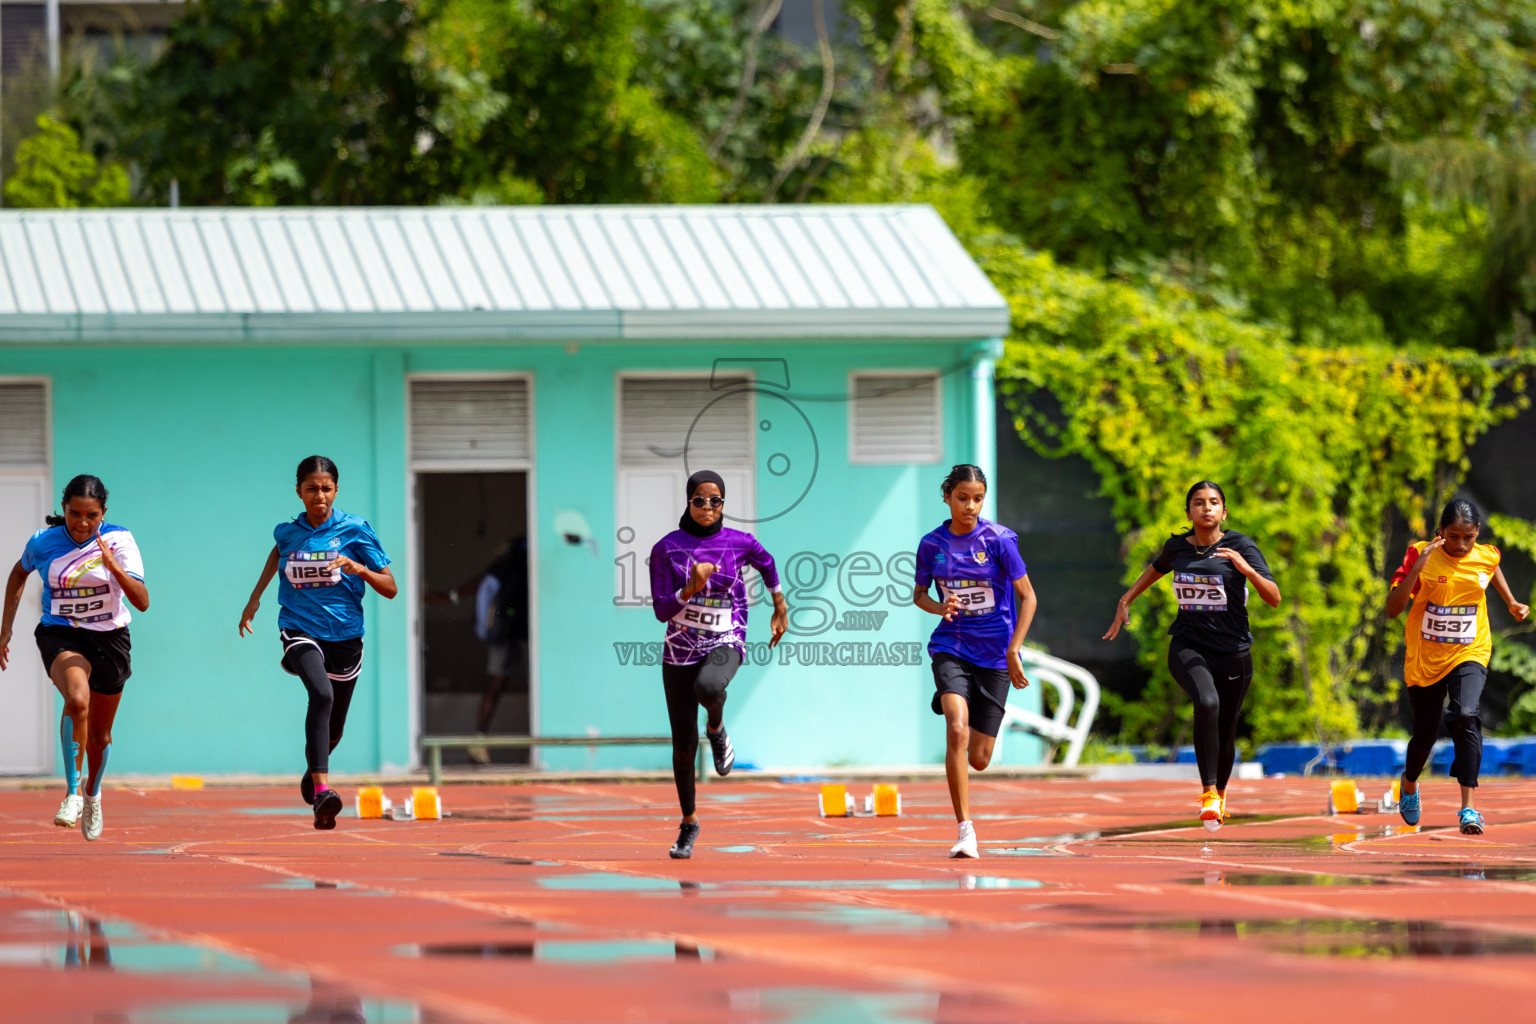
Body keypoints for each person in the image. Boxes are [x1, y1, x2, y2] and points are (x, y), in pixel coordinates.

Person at [1103, 481, 1281, 831]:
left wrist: (1246, 569)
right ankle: (1208, 792)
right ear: (1189, 513)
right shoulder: (1177, 549)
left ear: (1224, 512)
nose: (1206, 508)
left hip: (1233, 651)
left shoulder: (1240, 545)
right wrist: (1126, 601)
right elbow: (1154, 570)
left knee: (1227, 730)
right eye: (1198, 503)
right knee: (1207, 703)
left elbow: (1274, 597)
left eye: (1214, 502)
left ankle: (1221, 794)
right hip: (1189, 644)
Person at [239, 456, 397, 830]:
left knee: (335, 729)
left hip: (345, 635)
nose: (319, 496)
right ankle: (324, 791)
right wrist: (255, 597)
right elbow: (278, 552)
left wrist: (359, 568)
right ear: (299, 491)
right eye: (311, 489)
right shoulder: (288, 531)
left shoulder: (356, 530)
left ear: (336, 490)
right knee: (321, 694)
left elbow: (390, 588)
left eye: (326, 489)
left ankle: (314, 773)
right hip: (298, 629)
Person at [0, 474, 149, 841]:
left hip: (111, 639)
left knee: (100, 736)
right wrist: (6, 629)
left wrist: (114, 568)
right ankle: (70, 793)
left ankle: (92, 794)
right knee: (77, 699)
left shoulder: (120, 540)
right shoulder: (43, 542)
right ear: (63, 509)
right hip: (61, 634)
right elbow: (18, 575)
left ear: (104, 513)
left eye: (91, 515)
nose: (82, 524)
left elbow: (143, 602)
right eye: (74, 514)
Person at [649, 470, 787, 859]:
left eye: (716, 501)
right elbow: (662, 611)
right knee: (682, 744)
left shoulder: (738, 542)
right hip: (679, 647)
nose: (707, 507)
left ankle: (717, 727)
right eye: (699, 500)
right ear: (688, 501)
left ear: (723, 504)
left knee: (709, 688)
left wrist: (779, 603)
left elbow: (768, 562)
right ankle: (689, 823)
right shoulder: (667, 549)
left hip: (727, 635)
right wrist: (689, 589)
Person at [913, 464, 1036, 859]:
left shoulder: (999, 541)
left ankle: (958, 697)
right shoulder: (932, 545)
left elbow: (1028, 598)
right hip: (951, 647)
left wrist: (1014, 650)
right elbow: (919, 596)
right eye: (962, 498)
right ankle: (966, 831)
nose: (970, 506)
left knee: (980, 758)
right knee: (957, 730)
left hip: (995, 656)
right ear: (947, 497)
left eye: (978, 498)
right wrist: (939, 606)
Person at [1386, 499, 1529, 835]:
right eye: (1453, 537)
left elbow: (1490, 568)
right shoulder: (1419, 554)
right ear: (1440, 532)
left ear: (1477, 532)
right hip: (1426, 657)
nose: (1462, 545)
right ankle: (1408, 785)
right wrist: (1419, 566)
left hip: (1471, 650)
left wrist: (1510, 603)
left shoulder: (1486, 553)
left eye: (1468, 536)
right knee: (1425, 735)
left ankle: (1468, 808)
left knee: (1466, 715)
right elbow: (1393, 609)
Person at [434, 537, 529, 765]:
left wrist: (451, 597)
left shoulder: (502, 567)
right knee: (502, 686)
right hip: (526, 635)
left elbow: (478, 584)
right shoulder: (522, 566)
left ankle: (479, 741)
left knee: (496, 687)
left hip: (506, 636)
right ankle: (481, 743)